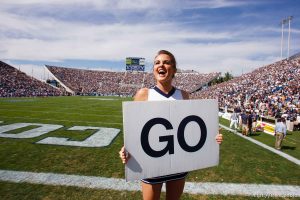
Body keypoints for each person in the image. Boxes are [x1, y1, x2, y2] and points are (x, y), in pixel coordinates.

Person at [119, 50, 223, 200]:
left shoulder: (184, 95)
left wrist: (212, 139)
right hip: (152, 163)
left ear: (174, 70)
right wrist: (126, 147)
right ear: (154, 69)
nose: (161, 65)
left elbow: (191, 129)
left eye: (167, 62)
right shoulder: (144, 94)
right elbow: (135, 128)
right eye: (157, 62)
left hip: (178, 163)